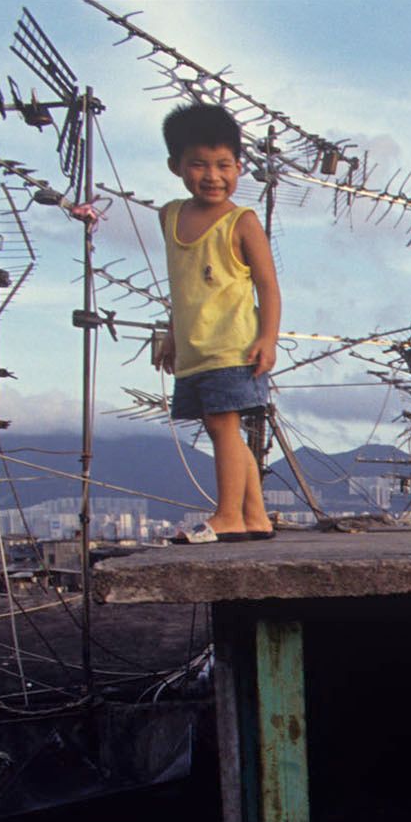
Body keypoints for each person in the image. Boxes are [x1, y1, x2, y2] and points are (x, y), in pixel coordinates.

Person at [155, 102, 280, 544]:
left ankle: (227, 514)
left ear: (239, 167)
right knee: (219, 428)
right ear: (176, 166)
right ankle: (255, 515)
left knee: (224, 425)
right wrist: (170, 333)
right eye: (199, 165)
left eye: (224, 165)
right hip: (194, 347)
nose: (213, 175)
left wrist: (268, 337)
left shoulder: (240, 222)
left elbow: (268, 285)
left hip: (233, 345)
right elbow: (183, 286)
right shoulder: (169, 217)